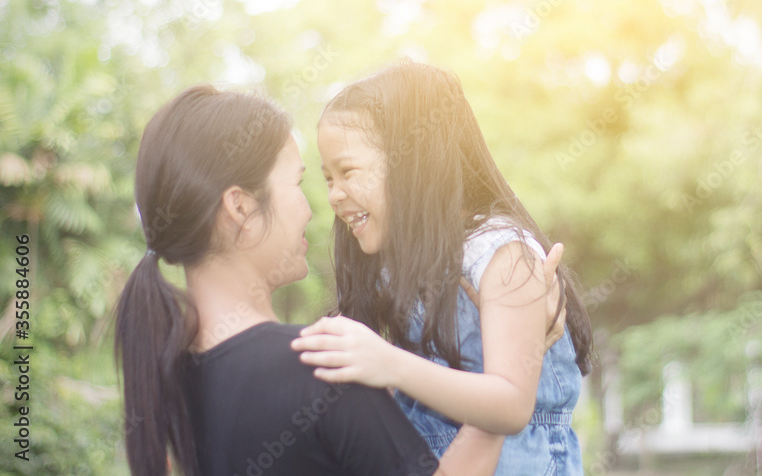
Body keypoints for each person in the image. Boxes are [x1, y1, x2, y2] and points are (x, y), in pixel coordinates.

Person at [113, 85, 510, 476]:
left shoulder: (175, 373)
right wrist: (501, 381)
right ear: (240, 207)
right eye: (298, 183)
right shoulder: (324, 368)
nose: (317, 207)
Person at [292, 62, 594, 475]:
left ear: (412, 162)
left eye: (348, 172)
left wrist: (389, 362)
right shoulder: (398, 269)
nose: (334, 195)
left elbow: (510, 405)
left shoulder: (500, 253)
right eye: (328, 178)